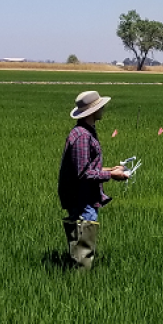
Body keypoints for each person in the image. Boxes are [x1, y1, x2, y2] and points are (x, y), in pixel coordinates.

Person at [58, 90, 129, 270]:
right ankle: (79, 283)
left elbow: (86, 167)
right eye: (100, 106)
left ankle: (76, 276)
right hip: (82, 198)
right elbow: (83, 174)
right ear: (92, 112)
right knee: (83, 249)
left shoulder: (84, 132)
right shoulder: (82, 136)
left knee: (81, 244)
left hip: (84, 196)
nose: (103, 109)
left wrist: (110, 168)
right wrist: (112, 176)